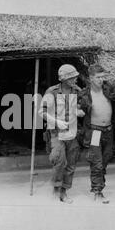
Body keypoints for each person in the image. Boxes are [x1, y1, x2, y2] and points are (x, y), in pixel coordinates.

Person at [39, 64, 85, 204]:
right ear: (63, 79)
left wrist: (79, 111)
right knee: (59, 160)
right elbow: (42, 112)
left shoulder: (77, 91)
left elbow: (80, 107)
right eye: (71, 77)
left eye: (75, 77)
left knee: (71, 163)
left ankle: (64, 191)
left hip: (72, 132)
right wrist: (57, 121)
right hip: (56, 132)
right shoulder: (52, 92)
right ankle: (56, 187)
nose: (74, 80)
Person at [78, 64, 115, 204]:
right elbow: (77, 108)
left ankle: (99, 185)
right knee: (97, 162)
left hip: (108, 131)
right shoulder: (85, 94)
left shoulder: (109, 90)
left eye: (103, 77)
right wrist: (78, 112)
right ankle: (98, 190)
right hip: (95, 132)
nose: (101, 80)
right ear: (91, 78)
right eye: (98, 77)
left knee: (106, 159)